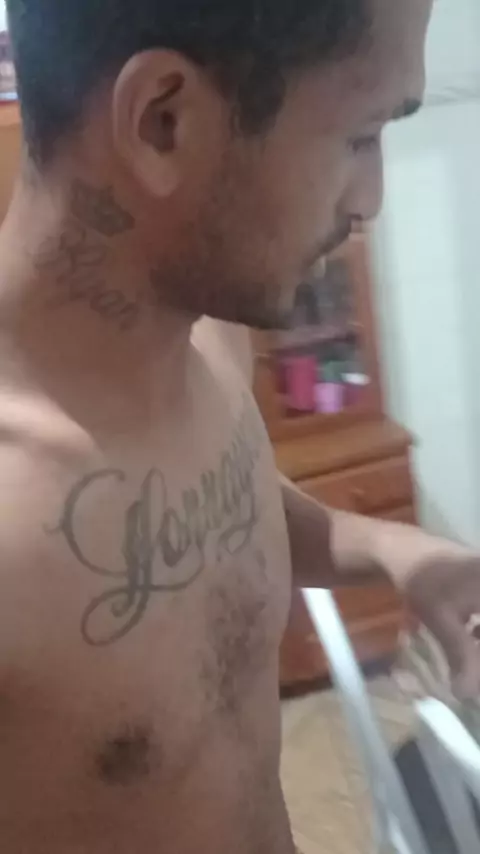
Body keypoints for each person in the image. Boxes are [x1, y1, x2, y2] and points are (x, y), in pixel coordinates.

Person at [1, 0, 479, 851]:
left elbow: (216, 505)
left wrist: (390, 550)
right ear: (164, 121)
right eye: (360, 136)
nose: (371, 199)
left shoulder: (209, 334)